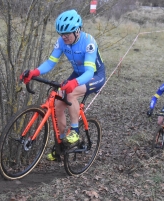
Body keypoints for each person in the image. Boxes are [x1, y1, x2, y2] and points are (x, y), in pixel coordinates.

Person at [20, 10, 106, 160]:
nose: (64, 37)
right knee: (58, 104)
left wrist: (74, 83)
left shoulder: (88, 42)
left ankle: (75, 132)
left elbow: (89, 72)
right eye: (61, 34)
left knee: (71, 93)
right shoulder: (61, 42)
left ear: (77, 30)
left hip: (94, 75)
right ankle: (60, 144)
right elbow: (50, 62)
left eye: (67, 34)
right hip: (78, 74)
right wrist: (34, 72)